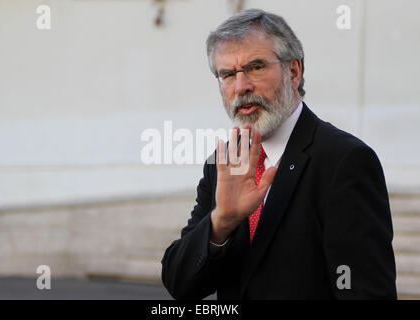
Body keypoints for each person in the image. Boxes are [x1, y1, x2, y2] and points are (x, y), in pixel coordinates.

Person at [161, 8, 397, 299]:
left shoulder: (344, 161)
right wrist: (220, 223)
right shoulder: (223, 165)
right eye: (227, 74)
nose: (241, 87)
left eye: (256, 67)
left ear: (293, 71)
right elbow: (180, 284)